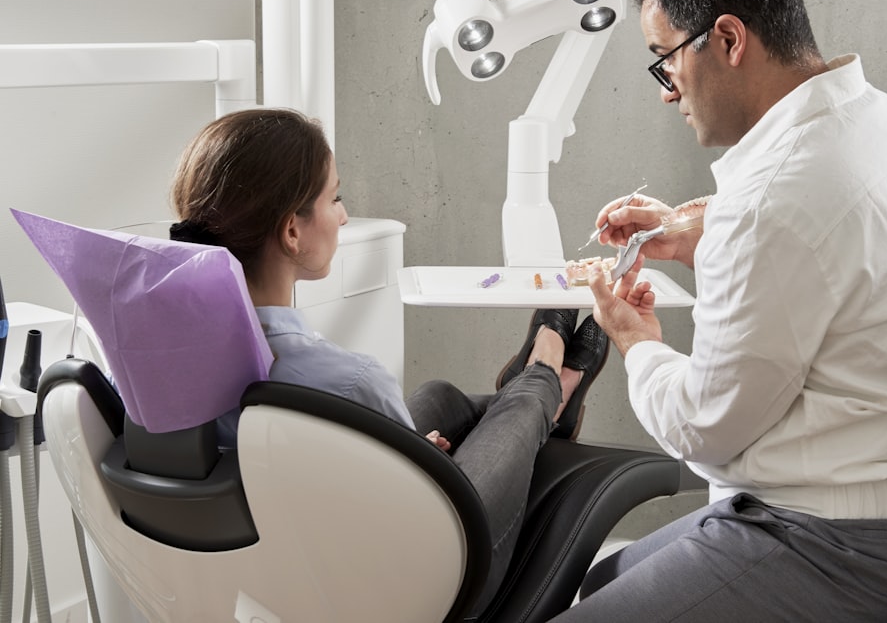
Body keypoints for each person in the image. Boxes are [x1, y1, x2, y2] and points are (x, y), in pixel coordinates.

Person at [553, 0, 887, 622]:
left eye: (665, 59)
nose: (666, 91)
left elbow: (705, 428)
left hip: (828, 548)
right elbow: (830, 237)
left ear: (728, 40)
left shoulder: (771, 203)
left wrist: (634, 337)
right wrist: (698, 230)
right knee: (607, 579)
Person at [167, 107, 610, 612]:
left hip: (290, 567)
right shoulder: (349, 383)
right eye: (334, 197)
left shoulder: (158, 369)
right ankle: (549, 377)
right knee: (521, 406)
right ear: (292, 232)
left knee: (442, 397)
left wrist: (404, 461)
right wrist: (418, 473)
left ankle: (536, 385)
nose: (343, 215)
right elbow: (413, 514)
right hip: (418, 587)